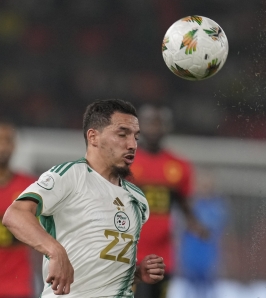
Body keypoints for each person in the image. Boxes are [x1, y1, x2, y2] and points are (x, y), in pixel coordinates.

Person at [2, 99, 166, 296]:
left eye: (136, 137)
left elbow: (101, 266)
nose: (132, 145)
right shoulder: (69, 176)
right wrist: (55, 251)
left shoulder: (137, 199)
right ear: (93, 137)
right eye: (122, 135)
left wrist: (137, 273)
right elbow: (15, 215)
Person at [130, 105, 208, 298]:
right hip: (130, 251)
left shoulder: (179, 166)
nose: (154, 128)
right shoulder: (126, 162)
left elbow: (182, 203)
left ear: (167, 127)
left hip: (163, 253)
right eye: (149, 123)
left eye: (159, 123)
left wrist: (194, 223)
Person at [0, 122, 36, 298]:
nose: (2, 147)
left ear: (14, 146)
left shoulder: (30, 187)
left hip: (17, 286)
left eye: (6, 141)